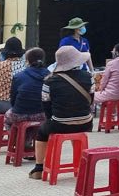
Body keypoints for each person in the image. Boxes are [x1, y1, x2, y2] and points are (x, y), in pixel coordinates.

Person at [28, 46, 94, 179]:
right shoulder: (88, 77)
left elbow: (46, 105)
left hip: (60, 124)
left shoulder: (50, 81)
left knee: (42, 132)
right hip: (86, 123)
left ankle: (39, 168)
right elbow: (91, 100)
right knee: (76, 130)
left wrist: (52, 119)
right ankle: (81, 165)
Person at [5, 48, 50, 129]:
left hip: (20, 114)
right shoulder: (50, 76)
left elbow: (13, 99)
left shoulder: (19, 76)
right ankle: (32, 138)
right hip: (43, 114)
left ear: (28, 61)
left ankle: (16, 140)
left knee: (7, 119)